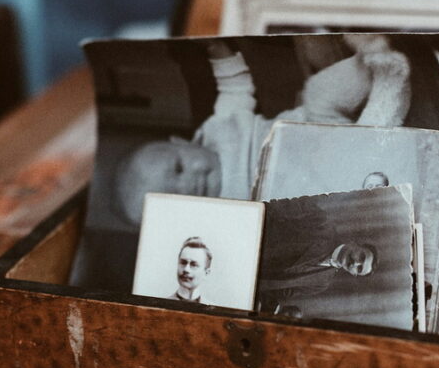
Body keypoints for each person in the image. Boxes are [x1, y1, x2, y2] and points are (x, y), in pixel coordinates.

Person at [113, 35, 412, 226]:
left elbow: (235, 89)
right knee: (346, 187)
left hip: (313, 122)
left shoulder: (217, 128)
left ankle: (376, 65)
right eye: (175, 200)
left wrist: (220, 52)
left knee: (319, 92)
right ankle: (383, 109)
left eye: (178, 169)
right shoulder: (223, 214)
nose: (188, 185)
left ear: (181, 142)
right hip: (319, 174)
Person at [167, 237, 212, 304]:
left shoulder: (212, 310)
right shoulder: (163, 306)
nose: (186, 269)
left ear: (206, 273)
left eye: (193, 265)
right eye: (183, 263)